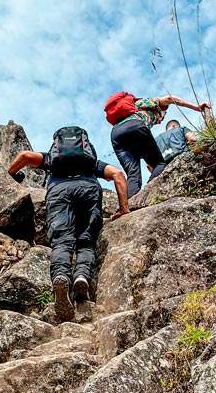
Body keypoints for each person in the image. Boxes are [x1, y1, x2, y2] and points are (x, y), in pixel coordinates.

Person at [7, 126, 129, 323]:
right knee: (86, 241)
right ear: (85, 145)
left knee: (61, 242)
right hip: (88, 189)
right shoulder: (92, 163)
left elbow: (25, 156)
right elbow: (118, 175)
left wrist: (10, 174)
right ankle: (82, 276)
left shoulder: (51, 159)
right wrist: (124, 208)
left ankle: (61, 277)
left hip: (58, 191)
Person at [108, 93, 212, 198]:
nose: (161, 121)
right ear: (160, 110)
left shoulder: (134, 107)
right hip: (135, 126)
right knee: (159, 164)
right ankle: (146, 195)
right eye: (163, 115)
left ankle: (126, 205)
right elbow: (171, 98)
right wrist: (196, 107)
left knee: (133, 174)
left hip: (115, 134)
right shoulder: (151, 103)